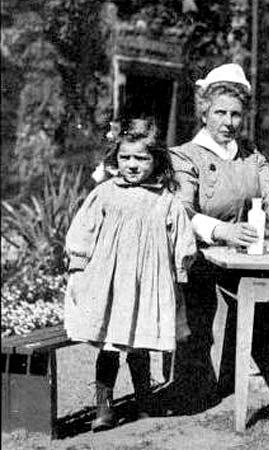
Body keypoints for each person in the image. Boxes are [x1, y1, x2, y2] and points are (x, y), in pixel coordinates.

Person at [169, 63, 269, 409]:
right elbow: (182, 212)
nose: (228, 122)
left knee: (263, 306)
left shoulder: (252, 155)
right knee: (198, 320)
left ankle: (242, 380)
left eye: (236, 114)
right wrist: (222, 231)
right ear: (204, 112)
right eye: (220, 112)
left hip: (243, 254)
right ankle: (194, 389)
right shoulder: (185, 156)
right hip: (199, 255)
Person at [64, 118, 197, 431]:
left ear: (156, 160)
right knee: (110, 345)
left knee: (139, 344)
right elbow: (83, 229)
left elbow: (182, 240)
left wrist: (178, 272)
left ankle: (144, 404)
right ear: (115, 158)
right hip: (110, 284)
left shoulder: (166, 200)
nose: (133, 164)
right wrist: (79, 265)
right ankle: (104, 408)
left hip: (146, 285)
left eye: (142, 158)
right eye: (126, 157)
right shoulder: (105, 194)